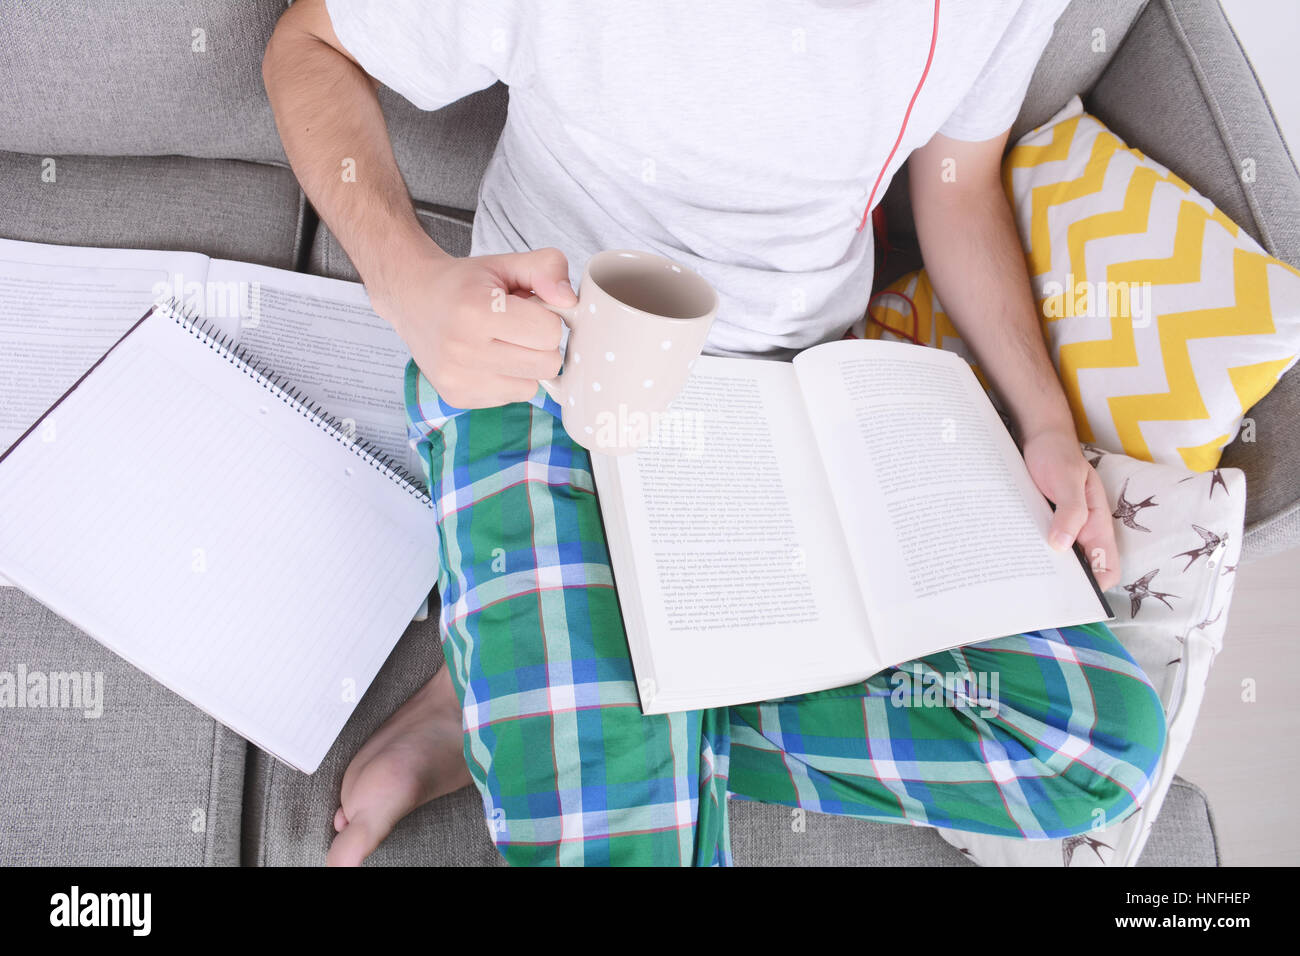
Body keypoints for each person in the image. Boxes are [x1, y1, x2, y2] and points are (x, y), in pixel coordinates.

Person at [263, 0, 1166, 867]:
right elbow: (308, 45)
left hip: (797, 409)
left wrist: (1046, 419)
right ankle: (542, 690)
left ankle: (516, 697)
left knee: (1099, 745)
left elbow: (957, 183)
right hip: (546, 370)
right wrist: (410, 282)